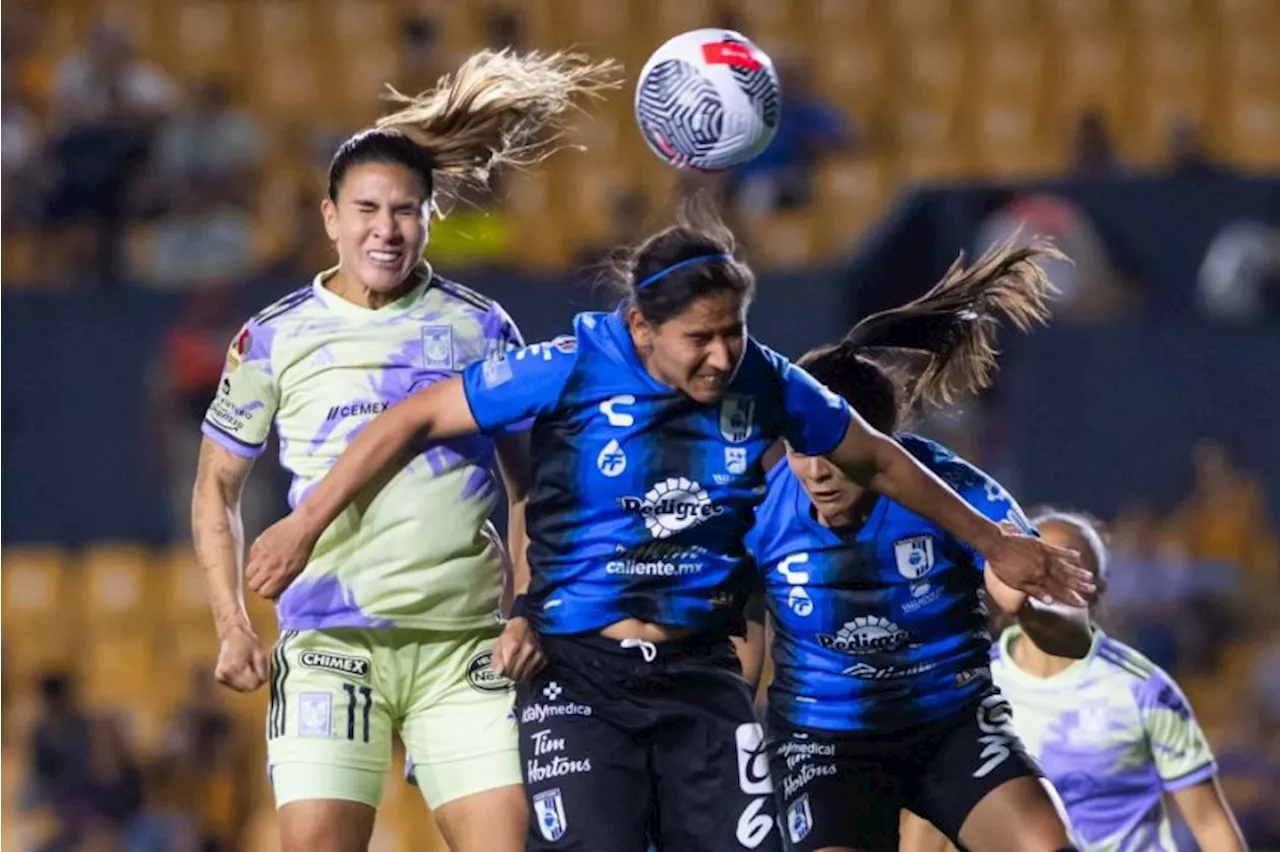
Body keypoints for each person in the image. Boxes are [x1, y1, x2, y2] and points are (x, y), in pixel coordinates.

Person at [246, 201, 1093, 852]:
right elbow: (412, 420)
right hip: (579, 676)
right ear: (642, 329)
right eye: (701, 338)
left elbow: (878, 455)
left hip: (697, 678)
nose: (723, 357)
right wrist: (305, 523)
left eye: (734, 332)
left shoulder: (762, 381)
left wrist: (991, 540)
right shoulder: (572, 364)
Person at [190, 49, 619, 852]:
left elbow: (531, 485)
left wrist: (527, 607)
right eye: (366, 210)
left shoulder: (480, 328)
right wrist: (230, 624)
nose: (385, 230)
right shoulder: (274, 337)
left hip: (464, 648)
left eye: (405, 211)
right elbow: (215, 486)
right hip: (329, 646)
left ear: (429, 216)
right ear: (329, 217)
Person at [747, 240, 1089, 852]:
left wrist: (1031, 610)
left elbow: (1071, 631)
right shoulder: (758, 509)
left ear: (880, 448)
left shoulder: (953, 491)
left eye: (837, 453)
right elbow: (741, 646)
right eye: (800, 449)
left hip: (952, 726)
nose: (818, 471)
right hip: (823, 744)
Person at [981, 510, 1245, 851]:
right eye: (1038, 564)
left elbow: (1209, 823)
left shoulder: (1144, 689)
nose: (1045, 581)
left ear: (1097, 590)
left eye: (1065, 569)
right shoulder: (972, 685)